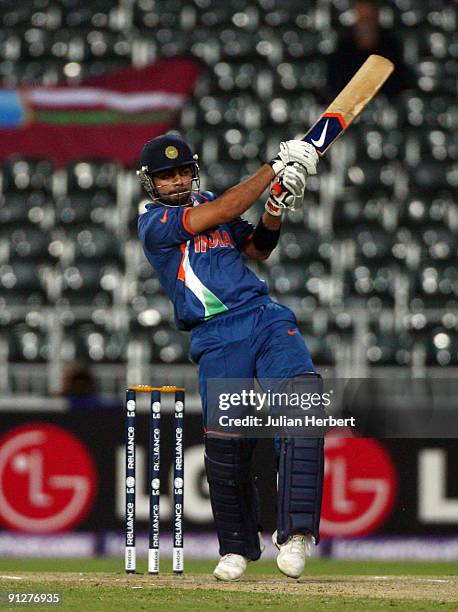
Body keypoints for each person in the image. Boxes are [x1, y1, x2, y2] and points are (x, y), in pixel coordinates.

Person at [137, 133, 323, 581]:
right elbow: (225, 211)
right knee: (227, 441)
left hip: (263, 317)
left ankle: (295, 533)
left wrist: (275, 209)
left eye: (183, 171)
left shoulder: (211, 201)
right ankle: (239, 547)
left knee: (301, 406)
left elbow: (257, 249)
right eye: (166, 176)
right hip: (216, 336)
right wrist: (274, 167)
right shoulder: (154, 222)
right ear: (151, 183)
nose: (177, 181)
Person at [326, 0, 411, 99]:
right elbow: (336, 85)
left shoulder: (391, 47)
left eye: (369, 18)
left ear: (377, 19)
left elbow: (399, 83)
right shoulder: (342, 49)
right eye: (362, 19)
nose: (365, 24)